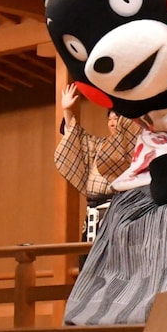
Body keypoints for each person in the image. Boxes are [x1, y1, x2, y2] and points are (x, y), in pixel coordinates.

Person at [54, 83, 138, 259]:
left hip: (120, 213)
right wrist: (67, 111)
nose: (114, 122)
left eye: (118, 118)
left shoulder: (137, 149)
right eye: (110, 118)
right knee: (89, 264)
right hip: (94, 215)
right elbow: (76, 139)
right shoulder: (99, 146)